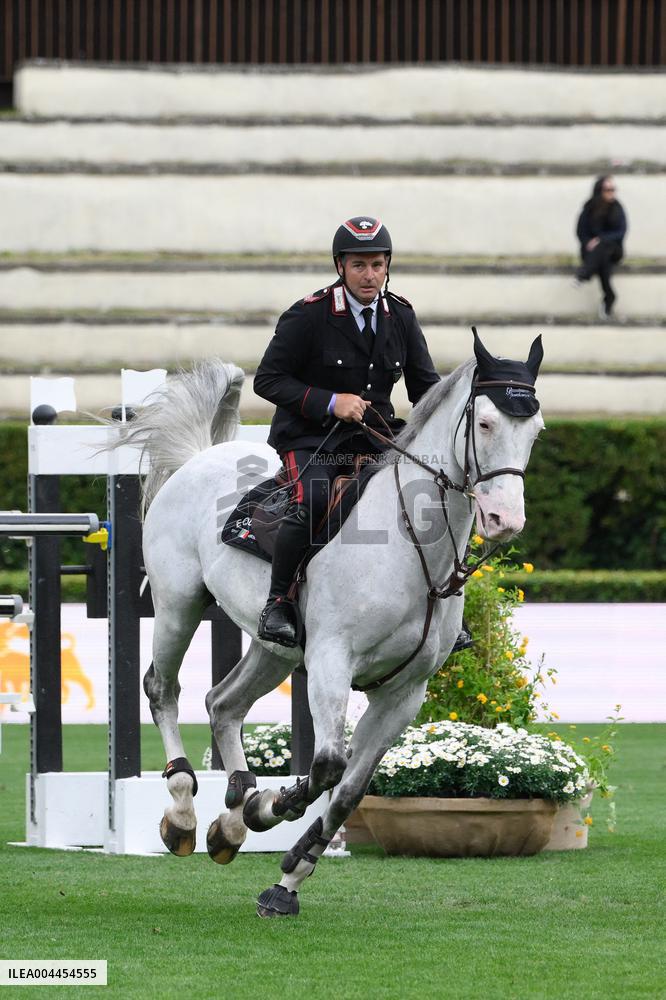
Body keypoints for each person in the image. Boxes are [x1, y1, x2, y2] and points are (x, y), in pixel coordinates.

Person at [253, 215, 445, 648]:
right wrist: (330, 401)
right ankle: (278, 602)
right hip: (309, 435)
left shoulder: (401, 316)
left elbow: (426, 390)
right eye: (359, 265)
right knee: (316, 497)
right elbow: (267, 380)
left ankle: (435, 603)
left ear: (387, 265)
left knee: (426, 494)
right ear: (340, 266)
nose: (369, 275)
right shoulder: (309, 315)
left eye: (377, 264)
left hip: (374, 434)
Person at [574, 175, 628, 320]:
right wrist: (589, 244)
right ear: (599, 190)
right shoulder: (589, 208)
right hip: (593, 254)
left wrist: (600, 240)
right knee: (602, 258)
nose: (611, 192)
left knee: (604, 248)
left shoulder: (617, 208)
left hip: (613, 250)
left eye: (613, 189)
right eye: (608, 189)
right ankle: (609, 298)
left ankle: (584, 274)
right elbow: (581, 232)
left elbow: (620, 232)